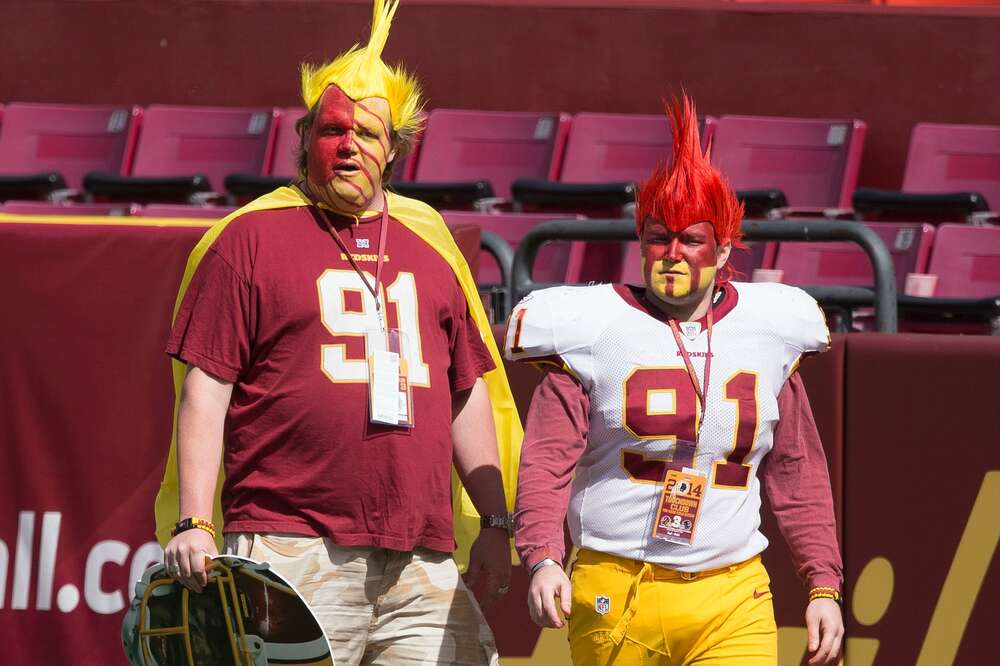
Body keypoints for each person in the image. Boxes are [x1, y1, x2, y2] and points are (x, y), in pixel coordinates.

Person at [153, 2, 524, 663]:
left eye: (367, 134)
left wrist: (494, 522)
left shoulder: (430, 247)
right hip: (290, 549)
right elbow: (206, 390)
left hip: (421, 561)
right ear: (305, 140)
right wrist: (194, 519)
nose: (349, 144)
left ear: (396, 150)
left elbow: (465, 394)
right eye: (331, 131)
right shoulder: (249, 240)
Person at [505, 95, 844, 665]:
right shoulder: (591, 330)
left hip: (733, 592)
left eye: (691, 239)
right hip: (619, 586)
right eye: (659, 237)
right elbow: (546, 459)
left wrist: (823, 584)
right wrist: (540, 554)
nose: (672, 253)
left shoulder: (768, 331)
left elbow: (796, 470)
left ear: (724, 247)